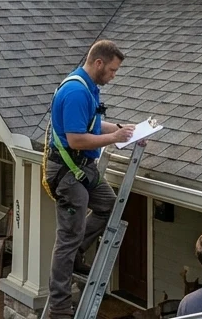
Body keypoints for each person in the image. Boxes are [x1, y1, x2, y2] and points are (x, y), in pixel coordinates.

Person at [44, 40, 137, 319]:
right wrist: (114, 138)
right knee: (67, 239)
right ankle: (60, 307)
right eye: (112, 70)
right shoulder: (75, 91)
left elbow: (92, 125)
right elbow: (76, 139)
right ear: (98, 63)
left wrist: (123, 129)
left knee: (110, 204)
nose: (113, 75)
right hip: (68, 173)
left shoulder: (89, 88)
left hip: (84, 169)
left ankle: (76, 254)